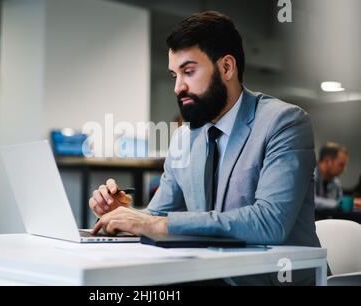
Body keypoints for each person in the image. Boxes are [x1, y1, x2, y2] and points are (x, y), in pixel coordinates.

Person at [89, 11, 320, 285]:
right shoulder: (184, 139)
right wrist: (123, 215)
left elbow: (270, 222)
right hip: (209, 277)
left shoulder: (284, 122)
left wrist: (155, 224)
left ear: (226, 68)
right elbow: (160, 216)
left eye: (188, 71)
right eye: (174, 75)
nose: (178, 87)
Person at [314, 143, 349, 210]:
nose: (344, 170)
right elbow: (310, 201)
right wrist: (337, 204)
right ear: (327, 161)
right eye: (341, 165)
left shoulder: (336, 182)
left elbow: (340, 202)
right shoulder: (308, 175)